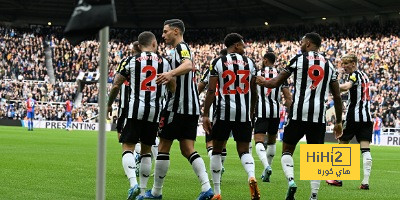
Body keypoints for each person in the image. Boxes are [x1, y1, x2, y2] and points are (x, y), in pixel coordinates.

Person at [256, 32, 343, 200]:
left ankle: (290, 181)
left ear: (309, 43)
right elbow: (338, 97)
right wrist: (339, 121)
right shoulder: (330, 65)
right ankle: (314, 195)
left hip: (297, 114)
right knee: (316, 158)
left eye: (303, 42)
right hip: (318, 117)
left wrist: (263, 82)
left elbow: (275, 83)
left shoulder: (298, 59)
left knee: (287, 151)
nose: (301, 45)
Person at [143, 19, 214, 200]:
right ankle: (206, 188)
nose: (163, 35)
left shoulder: (181, 48)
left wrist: (170, 74)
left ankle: (156, 192)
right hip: (190, 108)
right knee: (187, 148)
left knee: (163, 146)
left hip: (177, 107)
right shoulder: (175, 51)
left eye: (165, 31)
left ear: (176, 31)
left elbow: (188, 64)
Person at [107, 31, 176, 200]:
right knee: (146, 151)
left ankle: (133, 184)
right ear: (153, 44)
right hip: (154, 113)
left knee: (127, 147)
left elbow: (116, 85)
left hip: (134, 110)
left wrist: (108, 104)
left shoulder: (129, 61)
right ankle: (144, 191)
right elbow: (172, 88)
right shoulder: (165, 63)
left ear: (139, 45)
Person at [203, 33, 260, 200]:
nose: (244, 48)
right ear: (235, 45)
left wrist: (205, 114)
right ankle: (251, 176)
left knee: (217, 150)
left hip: (223, 111)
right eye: (242, 45)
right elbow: (254, 91)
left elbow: (212, 90)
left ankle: (217, 191)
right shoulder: (250, 63)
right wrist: (251, 110)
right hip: (243, 112)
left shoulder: (218, 62)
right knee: (244, 150)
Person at [326, 54, 373, 190]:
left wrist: (330, 87)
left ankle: (337, 178)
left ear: (353, 63)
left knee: (342, 144)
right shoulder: (365, 76)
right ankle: (365, 182)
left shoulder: (355, 75)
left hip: (354, 117)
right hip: (366, 118)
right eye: (343, 64)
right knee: (365, 149)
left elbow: (346, 86)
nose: (344, 66)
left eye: (346, 63)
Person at [254, 52, 292, 183]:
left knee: (258, 140)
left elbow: (253, 94)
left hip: (262, 111)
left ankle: (266, 166)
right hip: (275, 112)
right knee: (271, 141)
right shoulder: (281, 75)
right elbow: (288, 97)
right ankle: (266, 173)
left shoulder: (257, 74)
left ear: (265, 60)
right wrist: (289, 111)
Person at [198, 48, 228, 178]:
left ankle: (217, 171)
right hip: (228, 109)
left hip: (212, 108)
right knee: (223, 142)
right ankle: (219, 168)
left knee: (210, 143)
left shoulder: (213, 67)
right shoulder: (239, 68)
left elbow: (202, 85)